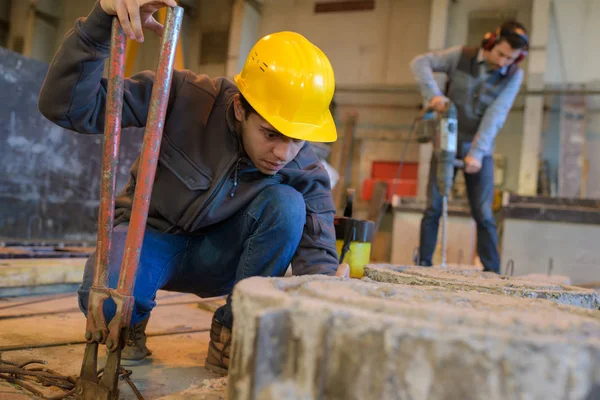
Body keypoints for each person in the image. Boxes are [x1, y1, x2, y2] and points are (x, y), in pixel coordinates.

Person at [38, 0, 349, 376]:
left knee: (288, 205)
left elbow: (317, 262)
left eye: (297, 139)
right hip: (150, 240)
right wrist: (101, 21)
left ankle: (233, 331)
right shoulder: (183, 95)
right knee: (106, 305)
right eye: (270, 133)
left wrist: (327, 288)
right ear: (239, 108)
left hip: (220, 259)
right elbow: (68, 107)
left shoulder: (303, 165)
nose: (283, 152)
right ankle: (131, 320)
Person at [409, 20, 528, 273]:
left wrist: (476, 153)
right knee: (433, 206)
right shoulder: (461, 56)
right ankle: (423, 266)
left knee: (483, 213)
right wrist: (433, 96)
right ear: (490, 42)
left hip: (480, 147)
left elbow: (496, 114)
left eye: (511, 58)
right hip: (446, 140)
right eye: (501, 54)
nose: (504, 62)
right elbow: (420, 62)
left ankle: (493, 272)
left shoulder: (514, 75)